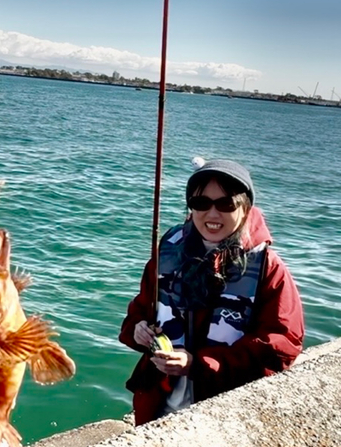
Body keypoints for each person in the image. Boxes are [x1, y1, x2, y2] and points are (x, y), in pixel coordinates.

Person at [119, 158, 304, 426]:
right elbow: (139, 310)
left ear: (245, 207)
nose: (212, 214)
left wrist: (199, 363)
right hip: (159, 404)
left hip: (225, 413)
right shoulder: (168, 253)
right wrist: (139, 328)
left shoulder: (268, 267)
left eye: (226, 204)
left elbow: (282, 343)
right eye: (201, 203)